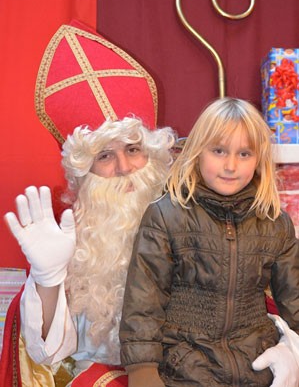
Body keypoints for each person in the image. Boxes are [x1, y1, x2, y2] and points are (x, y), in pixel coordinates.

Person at [3, 22, 176, 386]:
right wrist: (48, 279)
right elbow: (47, 356)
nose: (124, 168)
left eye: (133, 150)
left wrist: (290, 345)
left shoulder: (191, 219)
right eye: (104, 156)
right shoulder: (67, 237)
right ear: (83, 173)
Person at [119, 97, 299, 387]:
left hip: (256, 363)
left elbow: (294, 299)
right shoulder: (166, 215)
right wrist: (142, 372)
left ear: (258, 160)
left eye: (244, 154)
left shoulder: (274, 222)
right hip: (184, 365)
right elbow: (143, 301)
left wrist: (294, 353)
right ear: (198, 152)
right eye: (219, 151)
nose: (230, 165)